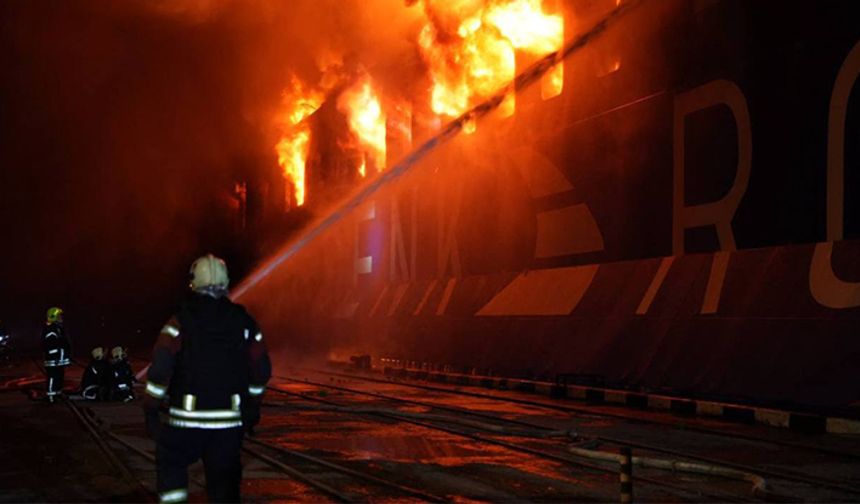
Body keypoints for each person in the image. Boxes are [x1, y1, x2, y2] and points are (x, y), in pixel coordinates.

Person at [143, 254, 271, 503]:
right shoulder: (244, 323)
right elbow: (261, 370)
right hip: (227, 424)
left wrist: (151, 408)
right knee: (225, 487)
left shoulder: (179, 321)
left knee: (171, 468)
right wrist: (252, 406)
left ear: (194, 283)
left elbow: (159, 369)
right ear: (226, 283)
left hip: (184, 422)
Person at [43, 307, 71, 403]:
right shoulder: (50, 329)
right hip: (53, 359)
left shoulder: (59, 328)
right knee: (52, 377)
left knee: (59, 377)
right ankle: (50, 396)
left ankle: (57, 394)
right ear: (53, 317)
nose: (61, 318)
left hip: (59, 359)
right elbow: (50, 344)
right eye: (59, 316)